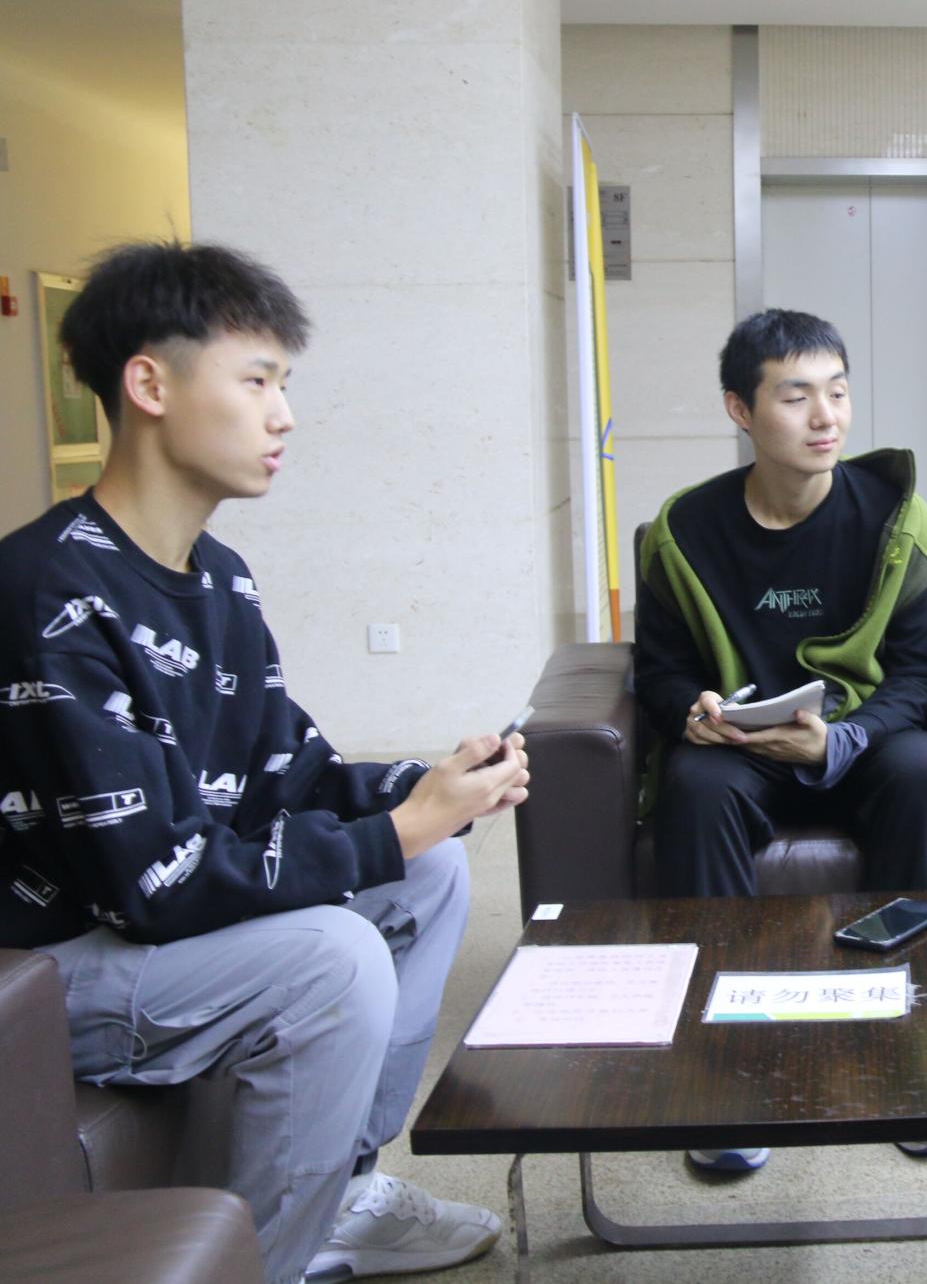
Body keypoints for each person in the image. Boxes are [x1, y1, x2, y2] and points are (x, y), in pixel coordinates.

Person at [0, 242, 531, 1284]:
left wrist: (429, 789)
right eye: (256, 381)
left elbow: (289, 773)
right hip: (55, 960)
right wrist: (393, 829)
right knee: (335, 956)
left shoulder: (219, 577)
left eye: (282, 385)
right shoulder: (45, 591)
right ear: (149, 384)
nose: (283, 416)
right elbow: (152, 885)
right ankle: (262, 1266)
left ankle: (341, 1191)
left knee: (430, 870)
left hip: (142, 924)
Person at [633, 307, 927, 1172]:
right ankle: (728, 1073)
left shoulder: (896, 519)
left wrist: (841, 741)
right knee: (693, 787)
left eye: (838, 392)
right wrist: (692, 711)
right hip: (738, 751)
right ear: (740, 410)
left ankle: (921, 1050)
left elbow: (920, 674)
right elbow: (659, 670)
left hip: (857, 735)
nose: (826, 417)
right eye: (796, 397)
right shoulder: (684, 530)